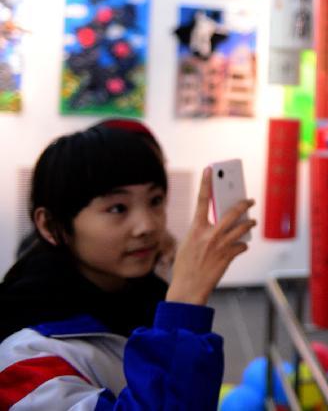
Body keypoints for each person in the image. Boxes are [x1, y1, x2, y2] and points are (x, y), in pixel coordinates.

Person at [0, 120, 255, 410]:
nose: (147, 225)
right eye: (117, 208)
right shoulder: (24, 354)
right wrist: (184, 307)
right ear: (50, 225)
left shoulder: (143, 294)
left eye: (155, 200)